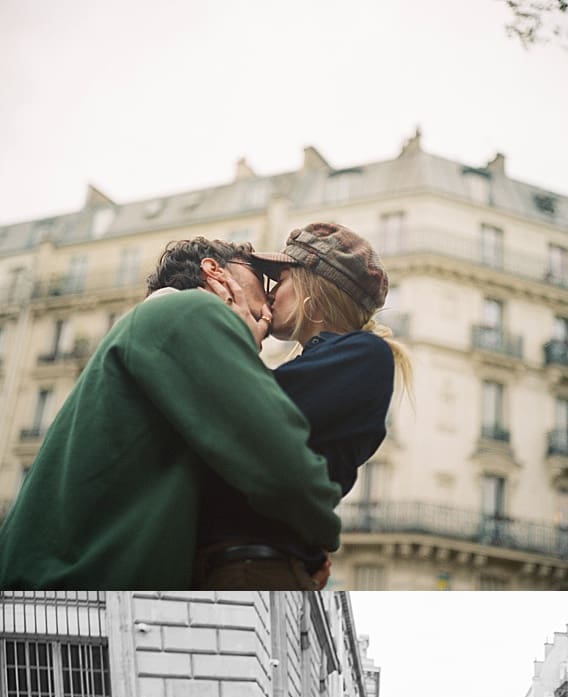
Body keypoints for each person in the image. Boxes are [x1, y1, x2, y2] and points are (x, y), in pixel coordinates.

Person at [0, 238, 342, 588]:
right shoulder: (189, 310)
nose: (268, 305)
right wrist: (320, 538)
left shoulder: (157, 324)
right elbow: (284, 466)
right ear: (215, 273)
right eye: (258, 279)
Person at [194, 222, 412, 587]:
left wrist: (240, 339)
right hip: (236, 561)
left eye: (281, 280)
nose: (271, 294)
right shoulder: (320, 362)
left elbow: (247, 416)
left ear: (314, 284)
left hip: (254, 565)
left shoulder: (364, 353)